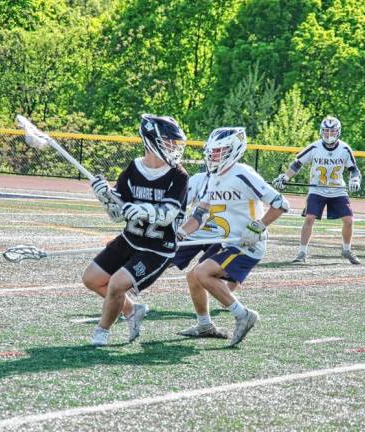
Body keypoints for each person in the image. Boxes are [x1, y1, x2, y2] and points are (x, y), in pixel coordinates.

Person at [176, 127, 289, 347]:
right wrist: (180, 233)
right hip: (229, 242)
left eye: (219, 151)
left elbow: (280, 204)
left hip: (247, 244)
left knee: (202, 273)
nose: (212, 156)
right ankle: (204, 325)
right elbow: (199, 215)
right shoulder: (214, 178)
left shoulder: (242, 173)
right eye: (211, 151)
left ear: (234, 149)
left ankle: (243, 314)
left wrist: (258, 227)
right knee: (193, 277)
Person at [82, 114, 189, 346]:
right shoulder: (133, 168)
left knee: (117, 283)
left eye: (175, 141)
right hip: (130, 240)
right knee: (91, 279)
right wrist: (103, 195)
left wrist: (141, 210)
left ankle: (102, 332)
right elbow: (116, 214)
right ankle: (132, 310)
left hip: (157, 248)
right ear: (151, 140)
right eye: (169, 140)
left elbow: (167, 215)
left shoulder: (179, 176)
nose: (174, 146)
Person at [272, 116, 362, 265]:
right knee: (309, 218)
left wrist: (355, 180)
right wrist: (285, 178)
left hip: (337, 189)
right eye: (326, 131)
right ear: (321, 132)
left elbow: (354, 169)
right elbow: (297, 164)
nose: (328, 135)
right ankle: (302, 252)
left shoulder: (345, 149)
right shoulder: (314, 147)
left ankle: (347, 249)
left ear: (338, 132)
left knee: (349, 220)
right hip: (317, 189)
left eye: (332, 131)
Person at [172, 168, 234, 339]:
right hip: (196, 232)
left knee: (200, 276)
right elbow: (181, 205)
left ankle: (234, 308)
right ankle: (130, 290)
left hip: (222, 236)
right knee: (163, 257)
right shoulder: (198, 179)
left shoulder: (237, 179)